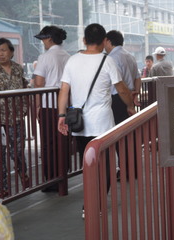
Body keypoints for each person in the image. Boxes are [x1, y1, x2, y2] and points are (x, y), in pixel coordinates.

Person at [57, 23, 135, 218]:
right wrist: (130, 105)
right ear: (103, 42)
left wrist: (61, 116)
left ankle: (88, 205)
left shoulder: (73, 61)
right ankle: (96, 203)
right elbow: (122, 89)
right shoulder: (107, 61)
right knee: (107, 164)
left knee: (88, 164)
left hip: (79, 123)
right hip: (102, 123)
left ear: (84, 40)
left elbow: (64, 91)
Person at [0, 38, 29, 197]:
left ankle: (23, 173)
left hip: (16, 117)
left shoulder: (18, 69)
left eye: (3, 50)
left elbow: (24, 87)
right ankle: (2, 187)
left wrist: (25, 109)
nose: (0, 54)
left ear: (11, 52)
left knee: (17, 150)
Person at [34, 26, 70, 192]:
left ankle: (51, 180)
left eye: (43, 39)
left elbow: (39, 83)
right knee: (62, 141)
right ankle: (64, 174)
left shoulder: (45, 57)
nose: (42, 42)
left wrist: (37, 105)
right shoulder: (68, 56)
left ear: (49, 38)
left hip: (49, 105)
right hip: (66, 105)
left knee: (48, 143)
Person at [104, 30, 141, 124]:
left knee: (117, 130)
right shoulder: (130, 56)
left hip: (118, 98)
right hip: (130, 97)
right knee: (128, 128)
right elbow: (137, 78)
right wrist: (136, 95)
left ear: (108, 41)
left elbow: (119, 86)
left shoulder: (112, 58)